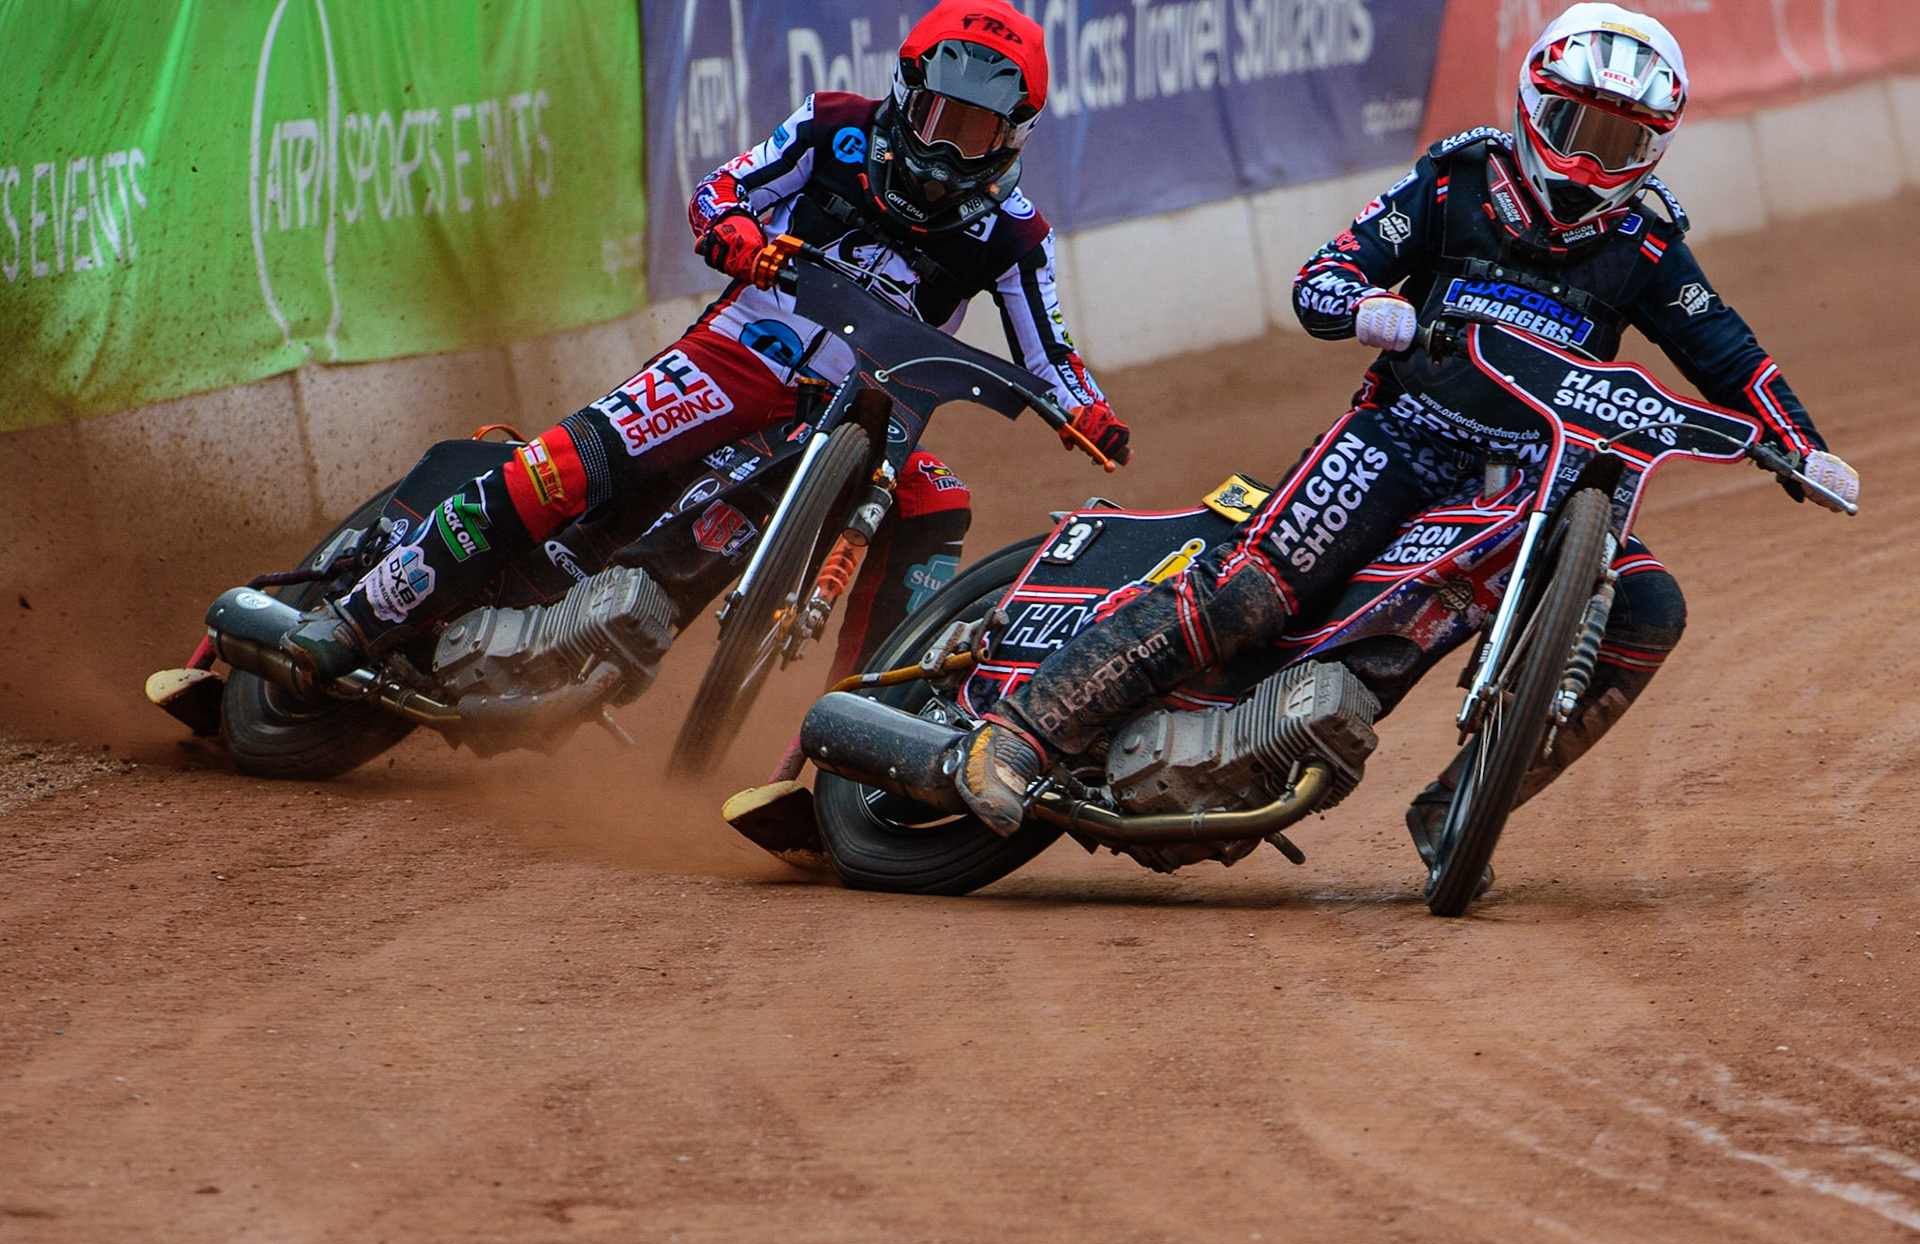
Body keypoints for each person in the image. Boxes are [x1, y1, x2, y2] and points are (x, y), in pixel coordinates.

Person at [953, 3, 1860, 885]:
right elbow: (1322, 278)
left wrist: (1804, 447)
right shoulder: (1455, 181)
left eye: (1618, 143)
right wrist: (1364, 304)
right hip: (1400, 438)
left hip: (1529, 481)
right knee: (1253, 594)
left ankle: (1464, 803)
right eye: (1572, 125)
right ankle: (1023, 730)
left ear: (1652, 151)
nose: (1587, 160)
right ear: (1531, 104)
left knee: (1650, 607)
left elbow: (1732, 355)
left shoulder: (1648, 244)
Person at [277, 0, 1128, 691]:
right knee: (560, 470)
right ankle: (354, 616)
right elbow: (718, 192)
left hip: (864, 415)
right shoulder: (832, 124)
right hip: (738, 354)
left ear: (1012, 137)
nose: (945, 149)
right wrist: (735, 238)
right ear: (906, 96)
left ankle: (857, 739)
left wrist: (1086, 411)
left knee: (936, 503)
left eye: (974, 132)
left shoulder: (1018, 236)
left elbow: (1051, 354)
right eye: (937, 117)